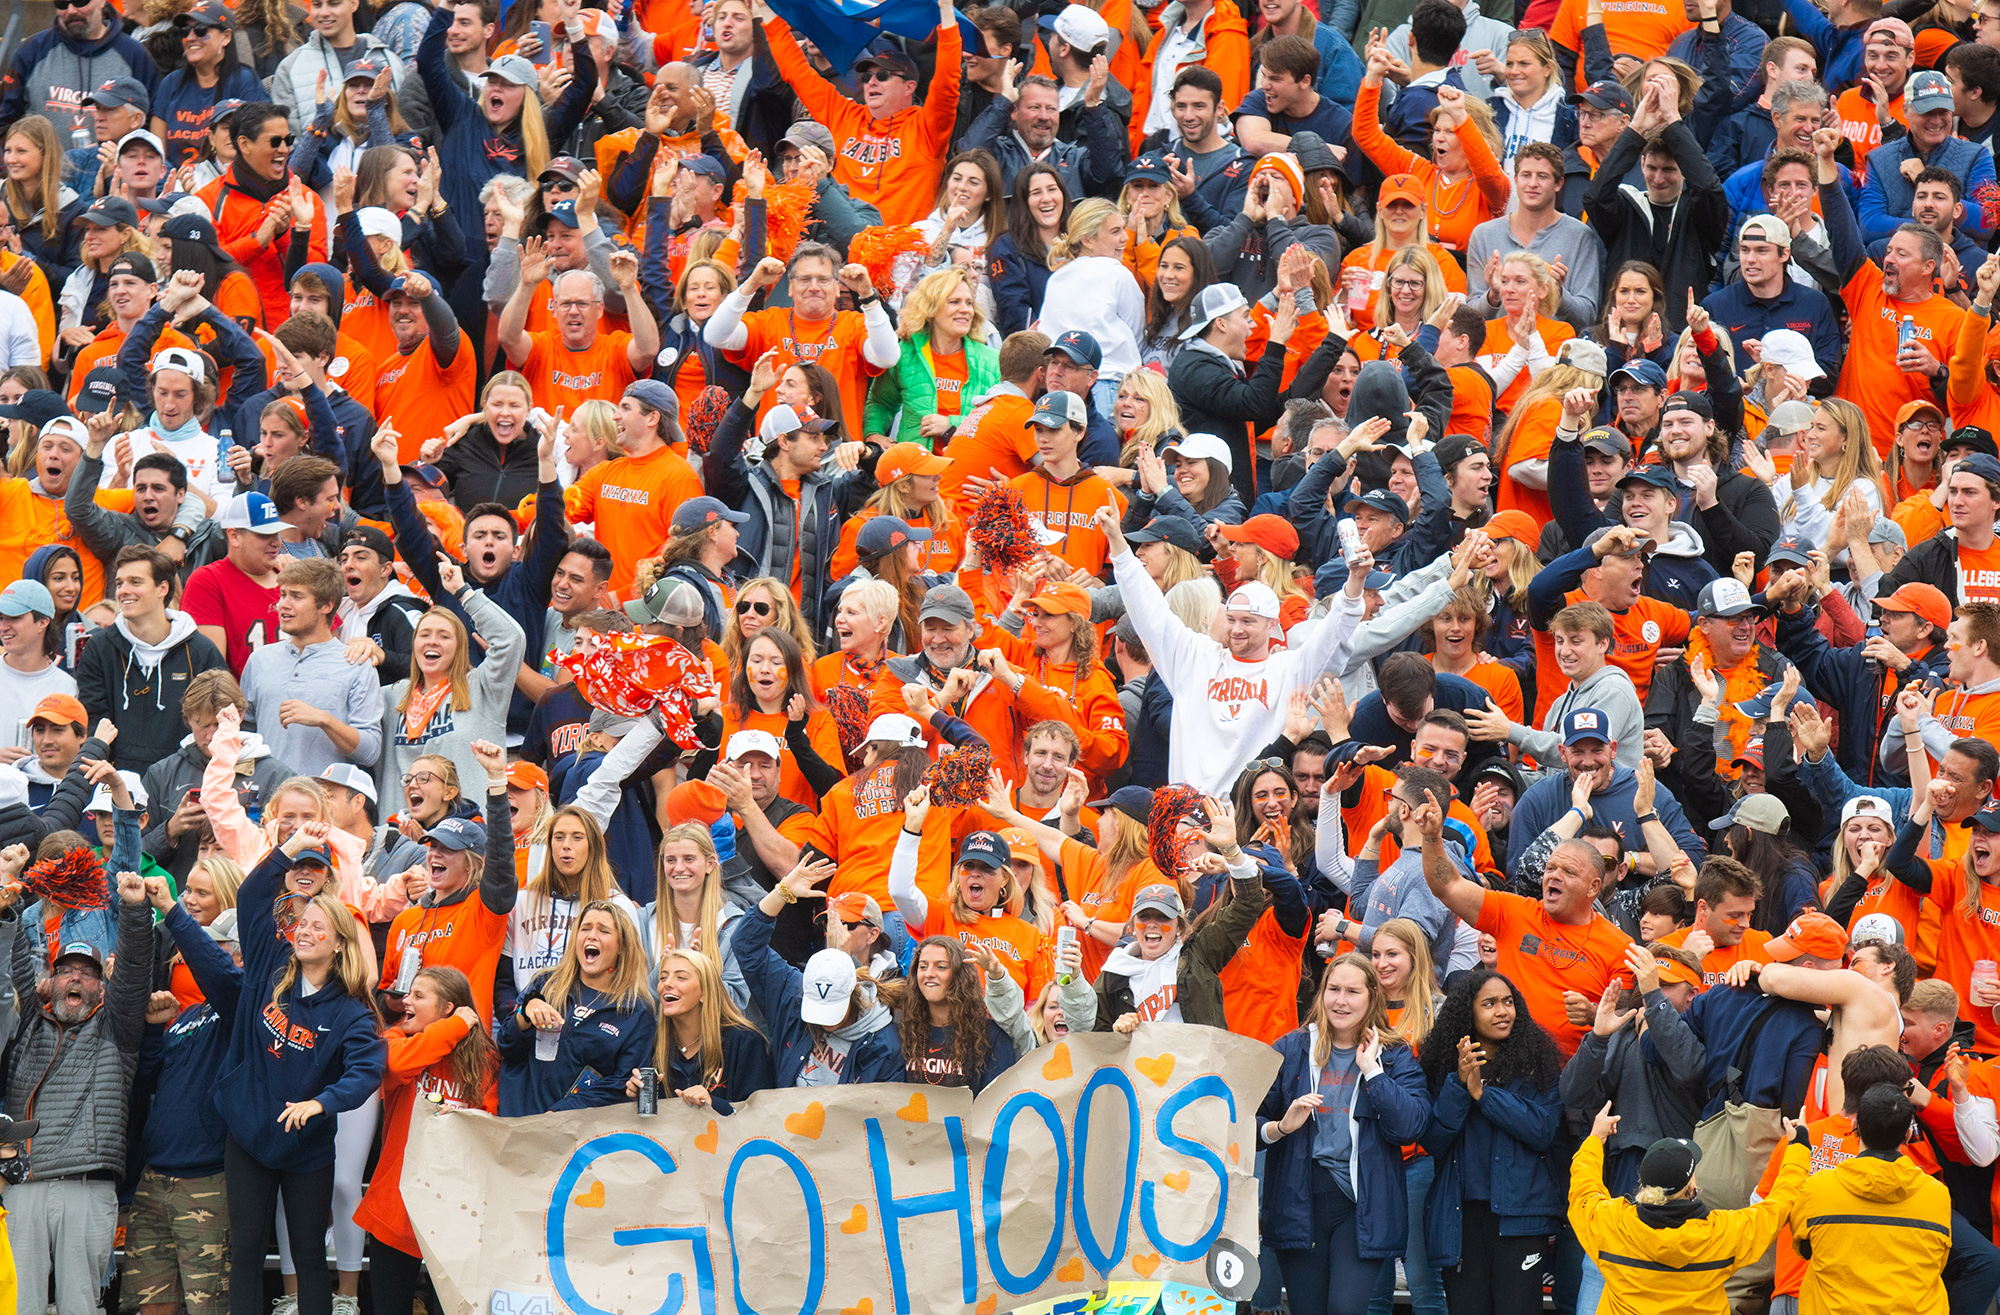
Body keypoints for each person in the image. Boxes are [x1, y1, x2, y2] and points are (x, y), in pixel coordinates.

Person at [220, 823, 384, 1315]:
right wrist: (287, 849)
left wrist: (321, 1103)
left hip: (308, 1147)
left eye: (320, 928)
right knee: (246, 1250)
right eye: (302, 925)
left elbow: (366, 1071)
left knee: (310, 1255)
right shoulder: (272, 974)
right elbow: (250, 896)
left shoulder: (351, 1011)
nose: (306, 932)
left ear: (339, 943)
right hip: (249, 1136)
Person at [1101, 504, 1365, 794]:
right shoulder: (1196, 658)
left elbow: (1333, 635)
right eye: (1231, 620)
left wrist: (1355, 582)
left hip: (1251, 815)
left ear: (1271, 625)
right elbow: (1150, 613)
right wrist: (1118, 544)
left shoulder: (1288, 668)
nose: (1236, 629)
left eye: (1248, 621)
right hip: (1190, 816)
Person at [0, 865, 153, 1315]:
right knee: (15, 1305)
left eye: (86, 973)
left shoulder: (117, 1028)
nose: (75, 979)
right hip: (22, 1184)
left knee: (79, 1307)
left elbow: (136, 971)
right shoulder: (29, 1018)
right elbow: (9, 969)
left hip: (86, 1185)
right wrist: (9, 908)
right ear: (52, 980)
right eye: (65, 970)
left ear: (101, 985)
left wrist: (134, 907)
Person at [1259, 954, 1432, 1315]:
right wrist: (1280, 1127)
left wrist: (1373, 1072)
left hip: (1361, 1205)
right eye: (1333, 989)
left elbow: (1411, 1127)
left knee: (1344, 1308)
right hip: (1299, 1202)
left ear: (1372, 996)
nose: (1341, 1000)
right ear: (1321, 993)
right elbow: (1245, 1120)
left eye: (1352, 991)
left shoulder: (1394, 1055)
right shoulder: (1291, 1049)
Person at [1419, 967, 1566, 1315]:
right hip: (1461, 1220)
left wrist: (1483, 1095)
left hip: (1521, 1218)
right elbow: (1434, 1140)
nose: (1502, 1011)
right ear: (1468, 1013)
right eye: (1489, 1004)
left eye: (1508, 1002)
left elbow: (1543, 1129)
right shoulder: (1444, 1067)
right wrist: (1459, 1085)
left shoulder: (1539, 1062)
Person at [1569, 1101, 1812, 1310]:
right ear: (1691, 1188)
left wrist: (1595, 1138)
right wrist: (1798, 1148)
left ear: (1644, 1184)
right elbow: (1778, 1205)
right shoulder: (1720, 1235)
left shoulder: (1610, 1224)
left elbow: (1583, 1190)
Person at [351, 965, 494, 1315]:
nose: (405, 1002)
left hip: (455, 1210)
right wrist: (458, 1025)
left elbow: (492, 1121)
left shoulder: (485, 1059)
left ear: (446, 1006)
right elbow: (397, 1067)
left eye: (418, 996)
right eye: (407, 994)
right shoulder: (395, 1041)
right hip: (396, 1208)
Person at [760, 0, 961, 225]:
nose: (872, 82)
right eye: (866, 77)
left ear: (909, 87)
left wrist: (946, 13)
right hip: (844, 244)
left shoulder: (927, 128)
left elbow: (947, 83)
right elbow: (796, 72)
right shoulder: (844, 116)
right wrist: (765, 10)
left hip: (903, 251)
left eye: (883, 76)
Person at [376, 740, 517, 1023]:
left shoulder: (482, 912)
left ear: (473, 863)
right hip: (411, 1055)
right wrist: (392, 1000)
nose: (436, 854)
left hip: (464, 1056)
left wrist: (496, 780)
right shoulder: (405, 920)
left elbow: (501, 854)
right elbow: (381, 1005)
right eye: (432, 846)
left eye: (449, 849)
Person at [737, 855, 905, 1086]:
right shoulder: (797, 988)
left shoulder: (895, 1000)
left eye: (848, 924)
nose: (835, 929)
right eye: (828, 922)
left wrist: (842, 962)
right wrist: (783, 892)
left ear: (873, 934)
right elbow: (746, 945)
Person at [1789, 1083, 1954, 1315]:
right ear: (1908, 1134)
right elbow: (1938, 1260)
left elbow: (1804, 1248)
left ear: (1855, 1125)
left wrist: (1797, 1149)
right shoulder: (1936, 1195)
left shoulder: (1818, 1189)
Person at [499, 900, 655, 1115]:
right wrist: (524, 1015)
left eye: (604, 930)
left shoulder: (636, 1011)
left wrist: (563, 1112)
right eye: (585, 928)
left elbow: (621, 1085)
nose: (592, 935)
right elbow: (506, 1047)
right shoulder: (546, 983)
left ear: (622, 947)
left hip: (577, 1134)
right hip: (517, 1120)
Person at [241, 558, 380, 779]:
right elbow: (244, 735)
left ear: (327, 605)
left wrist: (324, 720)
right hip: (266, 805)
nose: (283, 604)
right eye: (283, 594)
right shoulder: (259, 660)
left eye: (296, 596)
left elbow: (370, 752)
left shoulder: (355, 664)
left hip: (324, 805)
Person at [627, 947, 774, 1112]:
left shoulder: (744, 1040)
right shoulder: (651, 1041)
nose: (667, 983)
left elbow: (761, 1114)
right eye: (663, 977)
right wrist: (635, 1097)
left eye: (681, 977)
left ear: (705, 991)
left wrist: (713, 1104)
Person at [183, 492, 285, 680]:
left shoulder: (293, 575)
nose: (276, 542)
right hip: (242, 705)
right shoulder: (208, 580)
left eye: (277, 533)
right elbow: (212, 673)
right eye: (265, 534)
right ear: (234, 536)